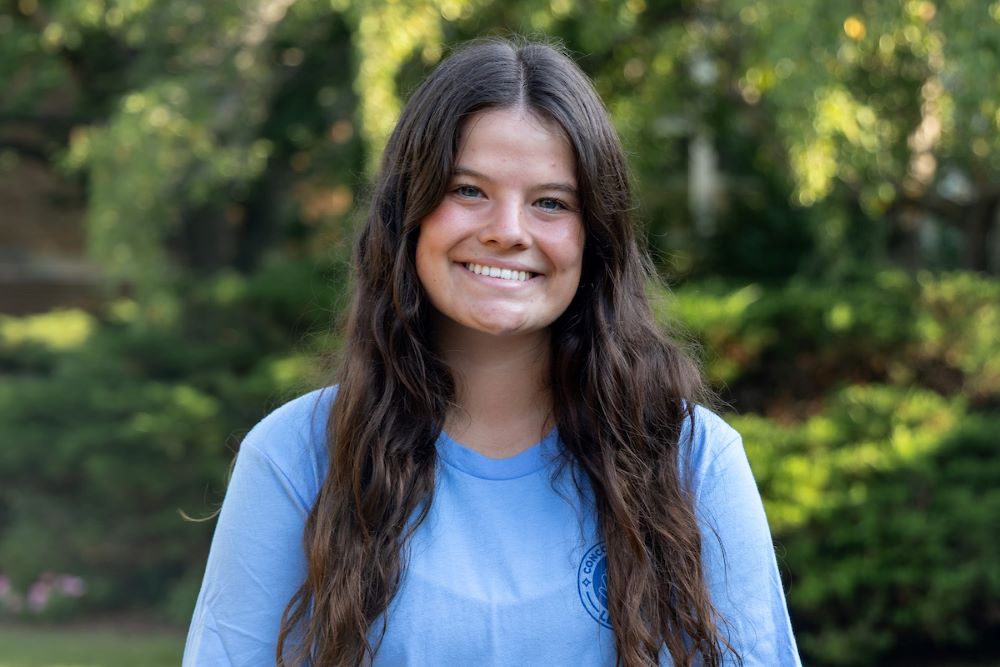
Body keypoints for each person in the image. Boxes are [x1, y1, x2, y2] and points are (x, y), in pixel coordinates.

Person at [183, 38, 801, 667]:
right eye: (468, 190)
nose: (507, 230)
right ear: (409, 216)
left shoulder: (693, 464)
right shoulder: (295, 460)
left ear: (595, 239)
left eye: (551, 203)